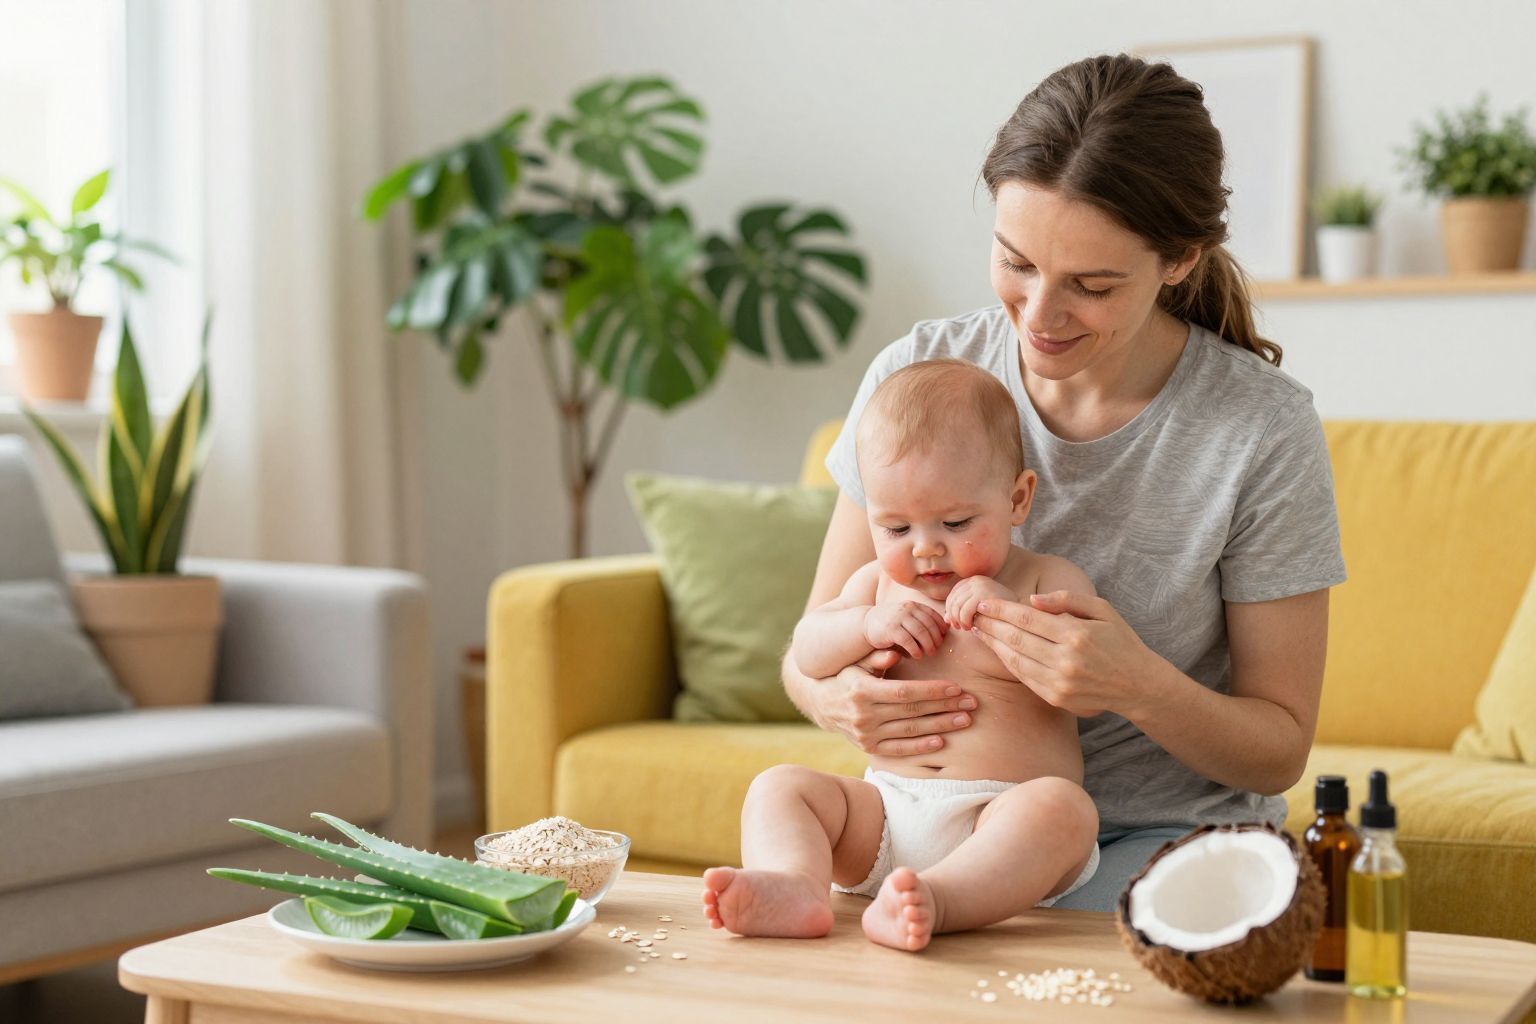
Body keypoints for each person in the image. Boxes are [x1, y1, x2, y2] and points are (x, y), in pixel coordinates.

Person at [778, 52, 1348, 913]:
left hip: (1168, 841)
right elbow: (806, 653)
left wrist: (1135, 685)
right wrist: (840, 703)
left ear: (1180, 259)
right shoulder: (917, 378)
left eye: (1091, 284)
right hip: (930, 828)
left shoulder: (1259, 430)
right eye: (1016, 263)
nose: (1040, 316)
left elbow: (1278, 750)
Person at [701, 359, 1100, 951]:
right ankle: (795, 887)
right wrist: (865, 624)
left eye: (957, 522)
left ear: (1017, 499)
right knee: (779, 787)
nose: (926, 549)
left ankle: (940, 899)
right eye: (894, 529)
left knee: (1064, 810)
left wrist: (1006, 618)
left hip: (999, 818)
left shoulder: (1044, 579)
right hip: (885, 814)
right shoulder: (876, 587)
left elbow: (1084, 682)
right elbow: (809, 649)